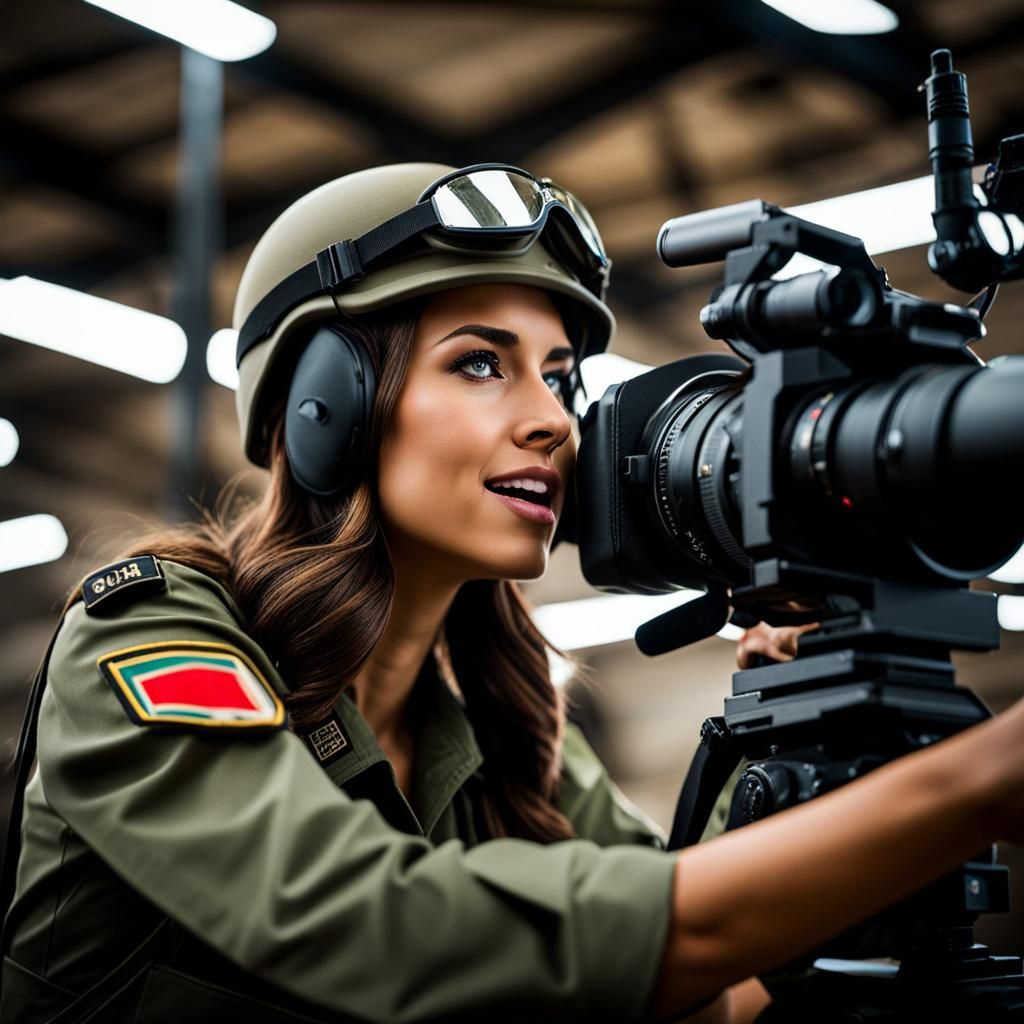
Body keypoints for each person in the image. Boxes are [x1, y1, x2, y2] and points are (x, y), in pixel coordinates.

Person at [0, 163, 1021, 1024]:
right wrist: (968, 785)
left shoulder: (507, 726)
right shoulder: (149, 632)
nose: (555, 422)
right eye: (481, 363)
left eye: (560, 375)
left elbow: (709, 990)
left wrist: (812, 748)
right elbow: (378, 928)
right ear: (327, 409)